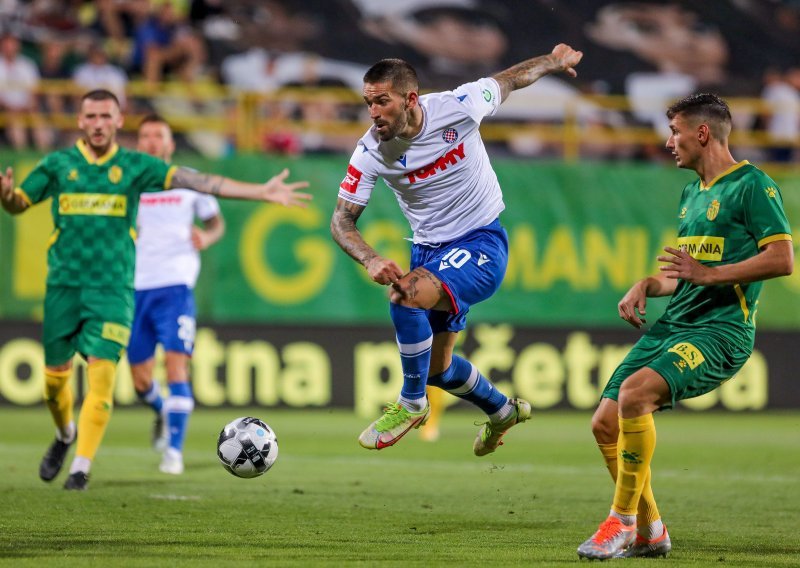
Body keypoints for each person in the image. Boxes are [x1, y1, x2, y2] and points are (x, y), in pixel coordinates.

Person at [0, 89, 310, 491]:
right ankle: (84, 430)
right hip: (94, 287)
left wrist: (256, 192)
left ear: (118, 120)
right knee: (102, 381)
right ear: (80, 121)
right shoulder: (76, 167)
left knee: (123, 376)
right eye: (90, 116)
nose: (97, 124)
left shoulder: (144, 170)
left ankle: (111, 462)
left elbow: (202, 185)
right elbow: (20, 203)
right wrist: (8, 197)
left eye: (105, 116)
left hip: (141, 290)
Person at [330, 44, 583, 452]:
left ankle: (411, 405)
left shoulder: (459, 106)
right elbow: (341, 221)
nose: (373, 113)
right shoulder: (371, 150)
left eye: (382, 102)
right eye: (368, 103)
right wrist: (370, 257)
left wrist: (554, 62)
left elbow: (510, 78)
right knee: (437, 369)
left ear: (410, 99)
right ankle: (502, 410)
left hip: (481, 242)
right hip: (429, 254)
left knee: (405, 295)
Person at [576, 93, 793, 560]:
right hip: (674, 325)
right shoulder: (692, 193)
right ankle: (652, 531)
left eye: (674, 131)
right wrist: (646, 284)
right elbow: (687, 273)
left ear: (701, 133)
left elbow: (782, 259)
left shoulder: (752, 185)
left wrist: (710, 275)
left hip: (720, 332)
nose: (668, 141)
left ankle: (622, 523)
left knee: (635, 394)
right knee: (604, 423)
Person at [127, 114, 225, 475]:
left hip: (176, 287)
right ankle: (161, 412)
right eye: (146, 136)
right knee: (140, 380)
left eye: (159, 136)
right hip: (135, 289)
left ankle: (174, 453)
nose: (152, 141)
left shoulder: (188, 181)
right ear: (139, 143)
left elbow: (216, 223)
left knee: (176, 367)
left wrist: (207, 237)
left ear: (169, 144)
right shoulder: (129, 184)